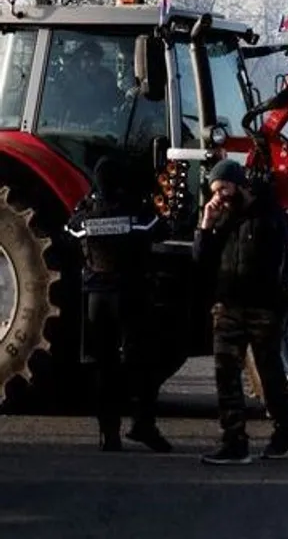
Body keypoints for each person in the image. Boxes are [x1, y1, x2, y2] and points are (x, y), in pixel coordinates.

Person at [193, 158, 288, 465]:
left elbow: (283, 266)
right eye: (214, 191)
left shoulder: (269, 216)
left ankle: (284, 431)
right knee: (226, 373)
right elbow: (202, 262)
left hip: (262, 307)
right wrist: (206, 225)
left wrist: (278, 307)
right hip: (227, 307)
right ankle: (234, 440)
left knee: (269, 372)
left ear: (238, 184)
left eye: (223, 188)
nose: (220, 196)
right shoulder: (222, 218)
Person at [65, 156, 172, 453]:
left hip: (97, 299)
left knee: (105, 367)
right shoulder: (136, 213)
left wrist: (86, 203)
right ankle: (144, 425)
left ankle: (108, 434)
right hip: (131, 295)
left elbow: (70, 232)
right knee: (142, 364)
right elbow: (161, 229)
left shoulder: (86, 217)